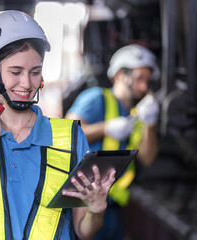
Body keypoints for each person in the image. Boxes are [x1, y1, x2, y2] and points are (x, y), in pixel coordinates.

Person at [0, 10, 116, 240]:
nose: (27, 84)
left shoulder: (71, 137)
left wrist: (97, 210)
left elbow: (82, 231)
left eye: (35, 72)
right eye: (15, 72)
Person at [65, 44, 160, 240]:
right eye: (139, 78)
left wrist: (150, 122)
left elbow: (148, 158)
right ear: (119, 75)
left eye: (148, 81)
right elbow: (67, 132)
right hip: (85, 205)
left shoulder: (138, 115)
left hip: (113, 208)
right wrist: (105, 128)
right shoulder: (96, 97)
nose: (144, 87)